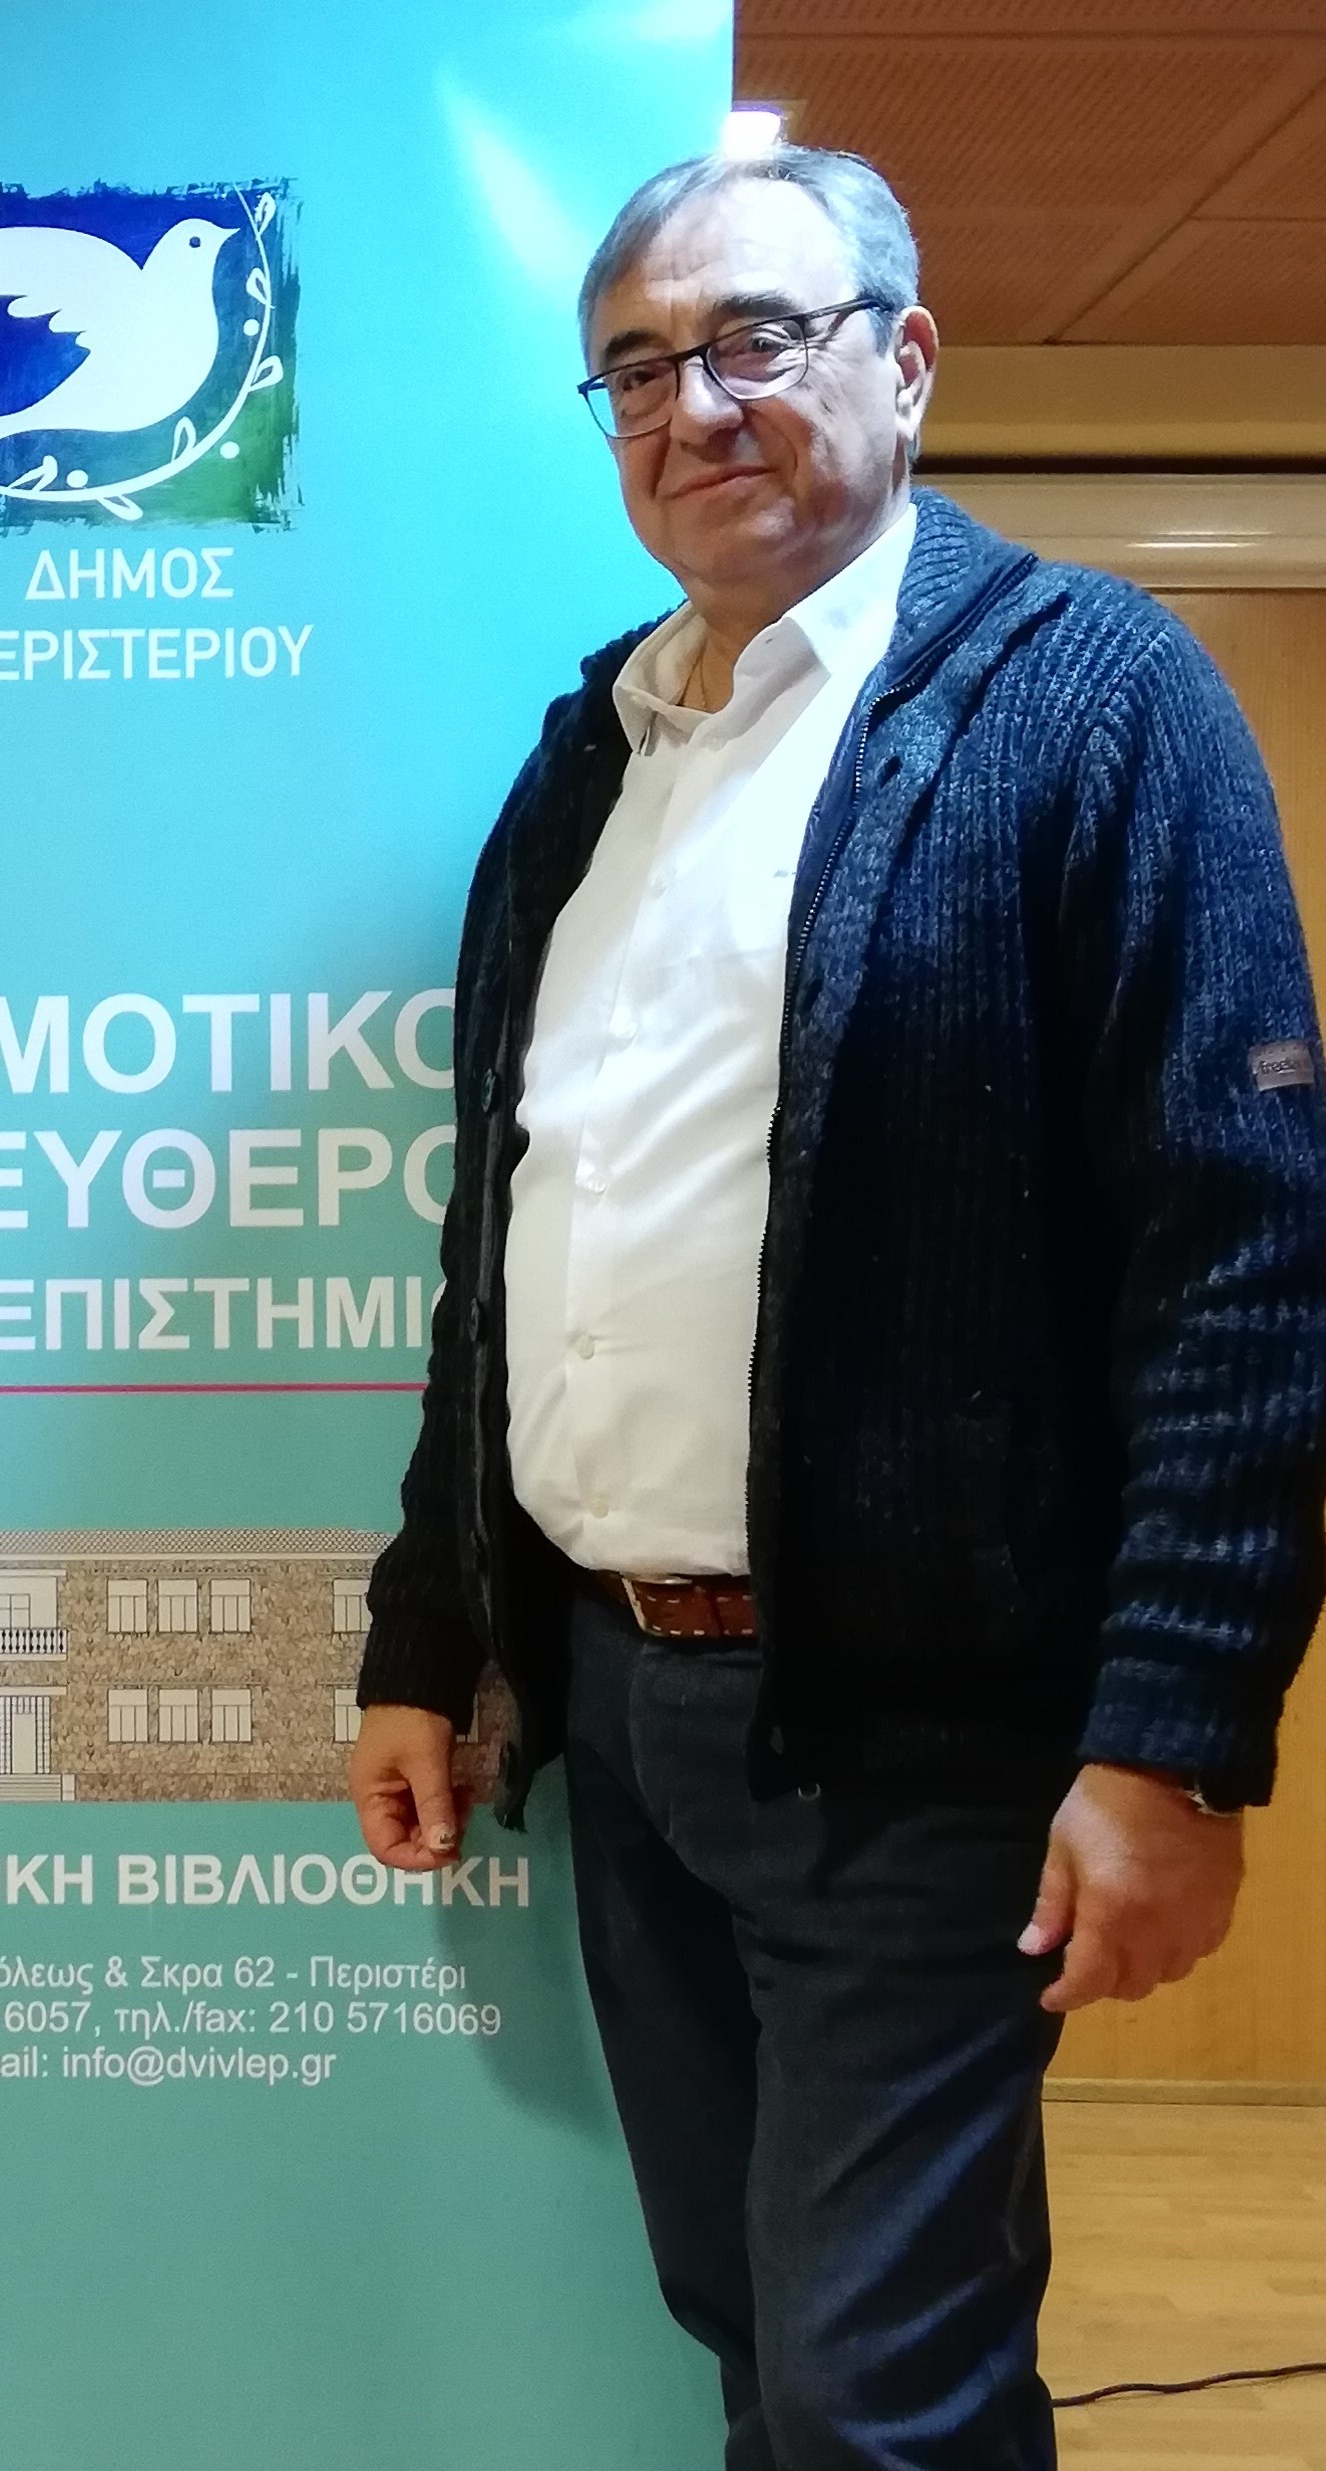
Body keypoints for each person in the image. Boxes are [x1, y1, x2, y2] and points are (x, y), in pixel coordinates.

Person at [349, 143, 1326, 2471]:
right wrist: (428, 1629)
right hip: (621, 1704)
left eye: (755, 338)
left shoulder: (1091, 698)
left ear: (907, 361)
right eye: (638, 368)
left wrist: (1173, 1736)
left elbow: (1247, 1253)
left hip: (920, 1733)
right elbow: (508, 1245)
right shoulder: (587, 762)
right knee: (753, 2339)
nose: (694, 403)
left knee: (881, 2395)